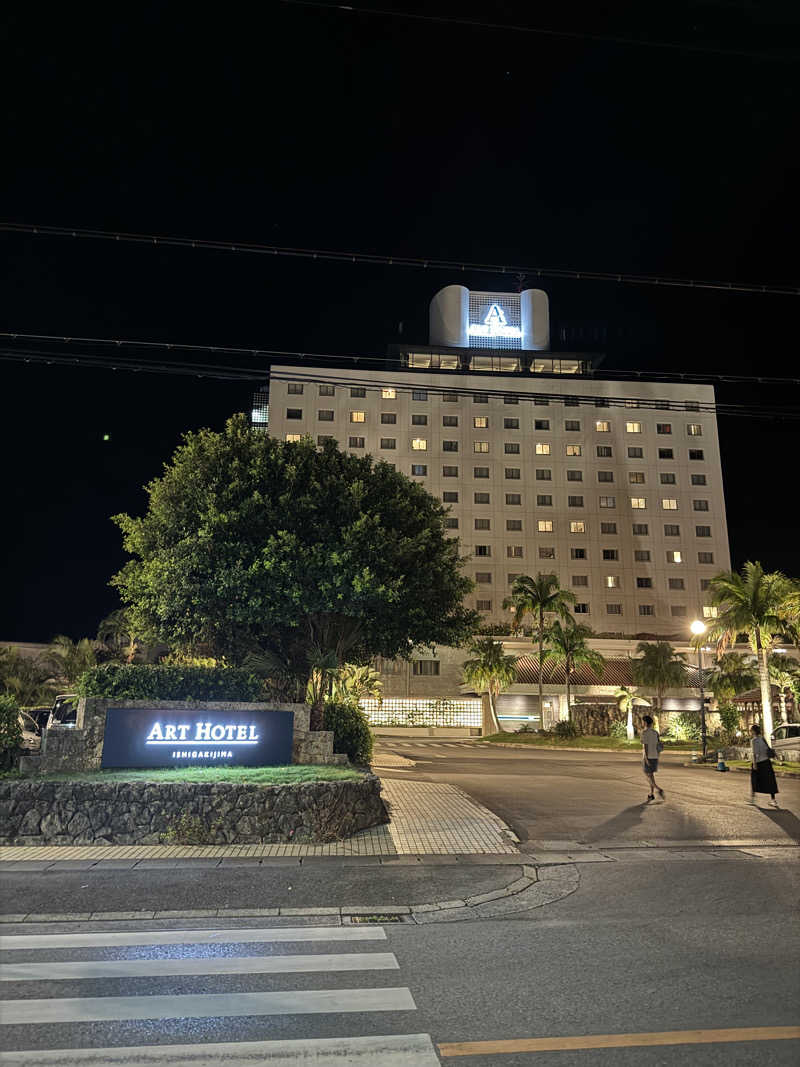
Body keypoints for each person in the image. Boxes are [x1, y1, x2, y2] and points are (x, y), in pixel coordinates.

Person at [749, 723, 779, 808]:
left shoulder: (753, 741)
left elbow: (755, 754)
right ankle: (773, 800)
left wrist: (754, 764)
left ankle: (753, 799)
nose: (750, 732)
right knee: (770, 781)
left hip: (758, 763)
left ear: (754, 731)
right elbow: (768, 748)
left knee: (754, 780)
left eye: (751, 730)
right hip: (767, 762)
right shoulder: (763, 738)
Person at [640, 714, 664, 802]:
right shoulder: (655, 733)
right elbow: (659, 745)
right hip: (655, 756)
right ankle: (651, 794)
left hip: (648, 757)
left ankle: (658, 789)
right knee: (651, 775)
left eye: (642, 721)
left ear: (645, 722)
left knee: (647, 776)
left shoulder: (644, 733)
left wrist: (646, 758)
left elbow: (645, 746)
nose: (642, 723)